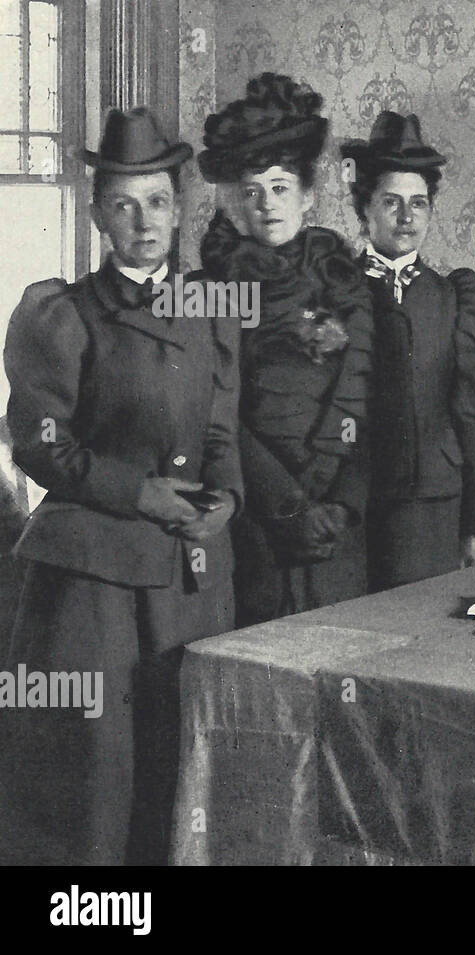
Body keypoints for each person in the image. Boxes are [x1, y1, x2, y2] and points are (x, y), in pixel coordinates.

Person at [0, 108, 242, 864]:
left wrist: (227, 498)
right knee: (95, 775)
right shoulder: (62, 313)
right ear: (101, 213)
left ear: (181, 208)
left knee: (181, 763)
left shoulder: (210, 308)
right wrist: (139, 494)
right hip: (92, 583)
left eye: (160, 201)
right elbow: (40, 443)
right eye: (125, 204)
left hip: (189, 581)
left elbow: (221, 433)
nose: (145, 221)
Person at [197, 73, 373, 624]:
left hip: (338, 514)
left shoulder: (344, 279)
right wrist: (288, 506)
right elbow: (216, 412)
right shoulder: (210, 290)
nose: (267, 206)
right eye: (252, 192)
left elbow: (370, 399)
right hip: (258, 510)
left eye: (280, 188)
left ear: (308, 195)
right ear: (233, 203)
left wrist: (340, 501)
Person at [340, 112, 475, 590]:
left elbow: (469, 413)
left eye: (419, 204)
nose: (406, 218)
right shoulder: (337, 289)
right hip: (354, 503)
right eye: (391, 202)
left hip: (434, 504)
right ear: (364, 208)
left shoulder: (453, 296)